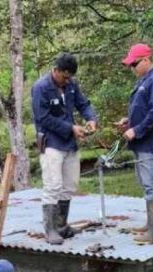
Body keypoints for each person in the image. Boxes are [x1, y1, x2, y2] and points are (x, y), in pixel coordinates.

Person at [31, 53, 98, 245]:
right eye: (65, 76)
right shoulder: (41, 88)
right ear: (56, 70)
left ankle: (62, 226)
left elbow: (83, 104)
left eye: (70, 77)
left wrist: (91, 119)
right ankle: (50, 230)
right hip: (51, 142)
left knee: (69, 185)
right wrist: (71, 128)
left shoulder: (71, 86)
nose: (67, 80)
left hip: (70, 143)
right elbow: (43, 118)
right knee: (53, 186)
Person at [116, 43, 153, 244]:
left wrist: (136, 130)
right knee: (146, 184)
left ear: (146, 59)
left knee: (152, 185)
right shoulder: (145, 80)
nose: (132, 68)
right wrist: (129, 122)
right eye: (130, 65)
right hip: (141, 141)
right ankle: (151, 224)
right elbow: (143, 109)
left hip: (151, 141)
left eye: (135, 64)